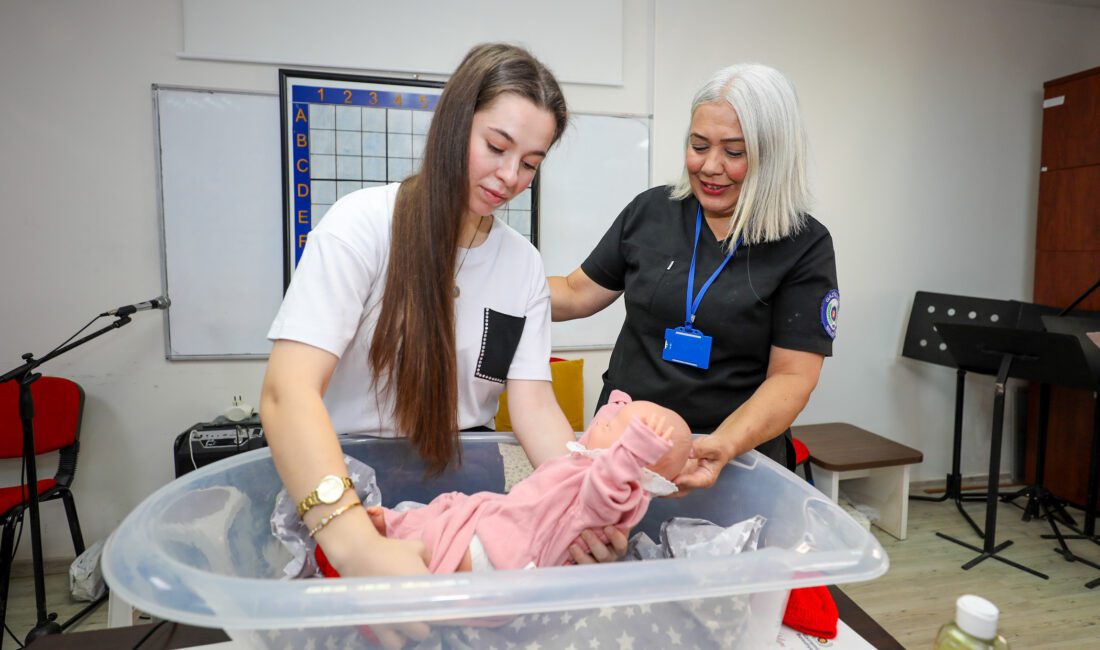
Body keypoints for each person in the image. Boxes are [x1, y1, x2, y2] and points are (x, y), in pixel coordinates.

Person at [260, 45, 622, 648]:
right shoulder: (362, 227)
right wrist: (353, 541)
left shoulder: (522, 266)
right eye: (497, 147)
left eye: (530, 163)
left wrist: (578, 505)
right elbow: (286, 392)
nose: (510, 177)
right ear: (456, 121)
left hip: (456, 497)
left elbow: (533, 407)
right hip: (345, 487)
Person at [549, 63, 837, 493]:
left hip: (732, 460)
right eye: (698, 145)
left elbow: (792, 377)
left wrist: (722, 445)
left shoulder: (803, 245)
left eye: (734, 152)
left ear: (772, 155)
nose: (710, 166)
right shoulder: (650, 213)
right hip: (625, 448)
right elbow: (574, 293)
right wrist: (488, 288)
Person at [302, 391, 691, 576]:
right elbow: (595, 427)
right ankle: (385, 531)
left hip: (509, 554)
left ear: (639, 469)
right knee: (445, 509)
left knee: (448, 549)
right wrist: (617, 417)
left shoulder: (612, 494)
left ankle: (380, 571)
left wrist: (631, 451)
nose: (607, 420)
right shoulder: (583, 464)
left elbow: (606, 489)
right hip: (500, 519)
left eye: (624, 432)